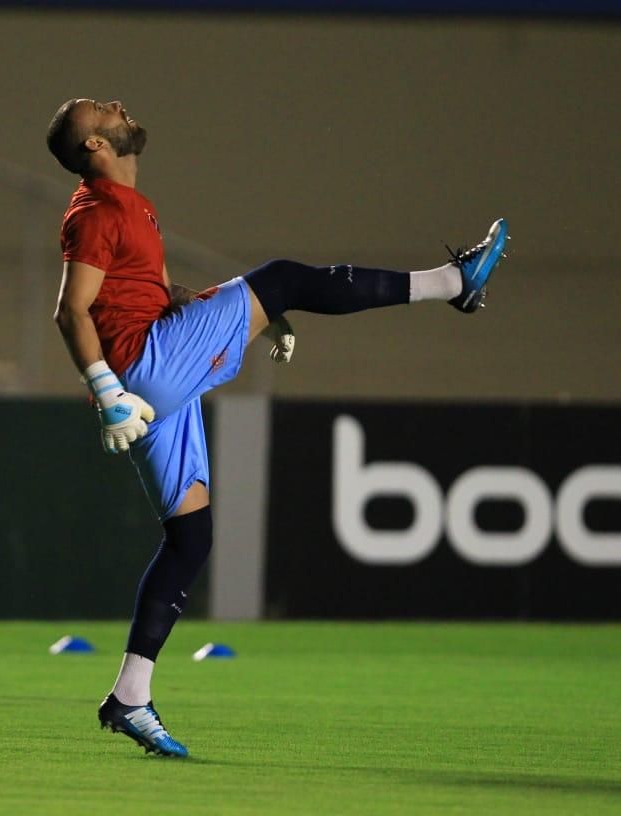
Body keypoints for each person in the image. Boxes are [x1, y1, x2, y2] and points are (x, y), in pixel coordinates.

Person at [46, 98, 508, 758]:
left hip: (149, 374)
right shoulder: (96, 211)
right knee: (285, 277)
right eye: (103, 110)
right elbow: (70, 310)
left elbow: (146, 298)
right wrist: (106, 390)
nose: (118, 107)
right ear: (95, 144)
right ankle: (454, 282)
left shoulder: (129, 208)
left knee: (189, 536)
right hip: (141, 370)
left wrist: (256, 316)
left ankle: (130, 695)